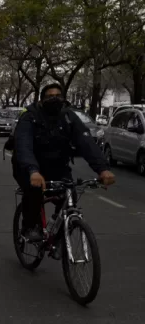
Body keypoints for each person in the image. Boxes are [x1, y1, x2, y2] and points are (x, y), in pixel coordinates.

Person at [13, 83, 116, 242]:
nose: (54, 99)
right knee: (34, 192)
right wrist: (33, 170)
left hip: (57, 166)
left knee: (70, 196)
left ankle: (58, 228)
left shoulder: (68, 116)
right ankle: (30, 226)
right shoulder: (30, 116)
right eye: (49, 96)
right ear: (41, 101)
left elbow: (86, 142)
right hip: (29, 166)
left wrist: (102, 169)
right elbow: (23, 145)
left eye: (58, 96)